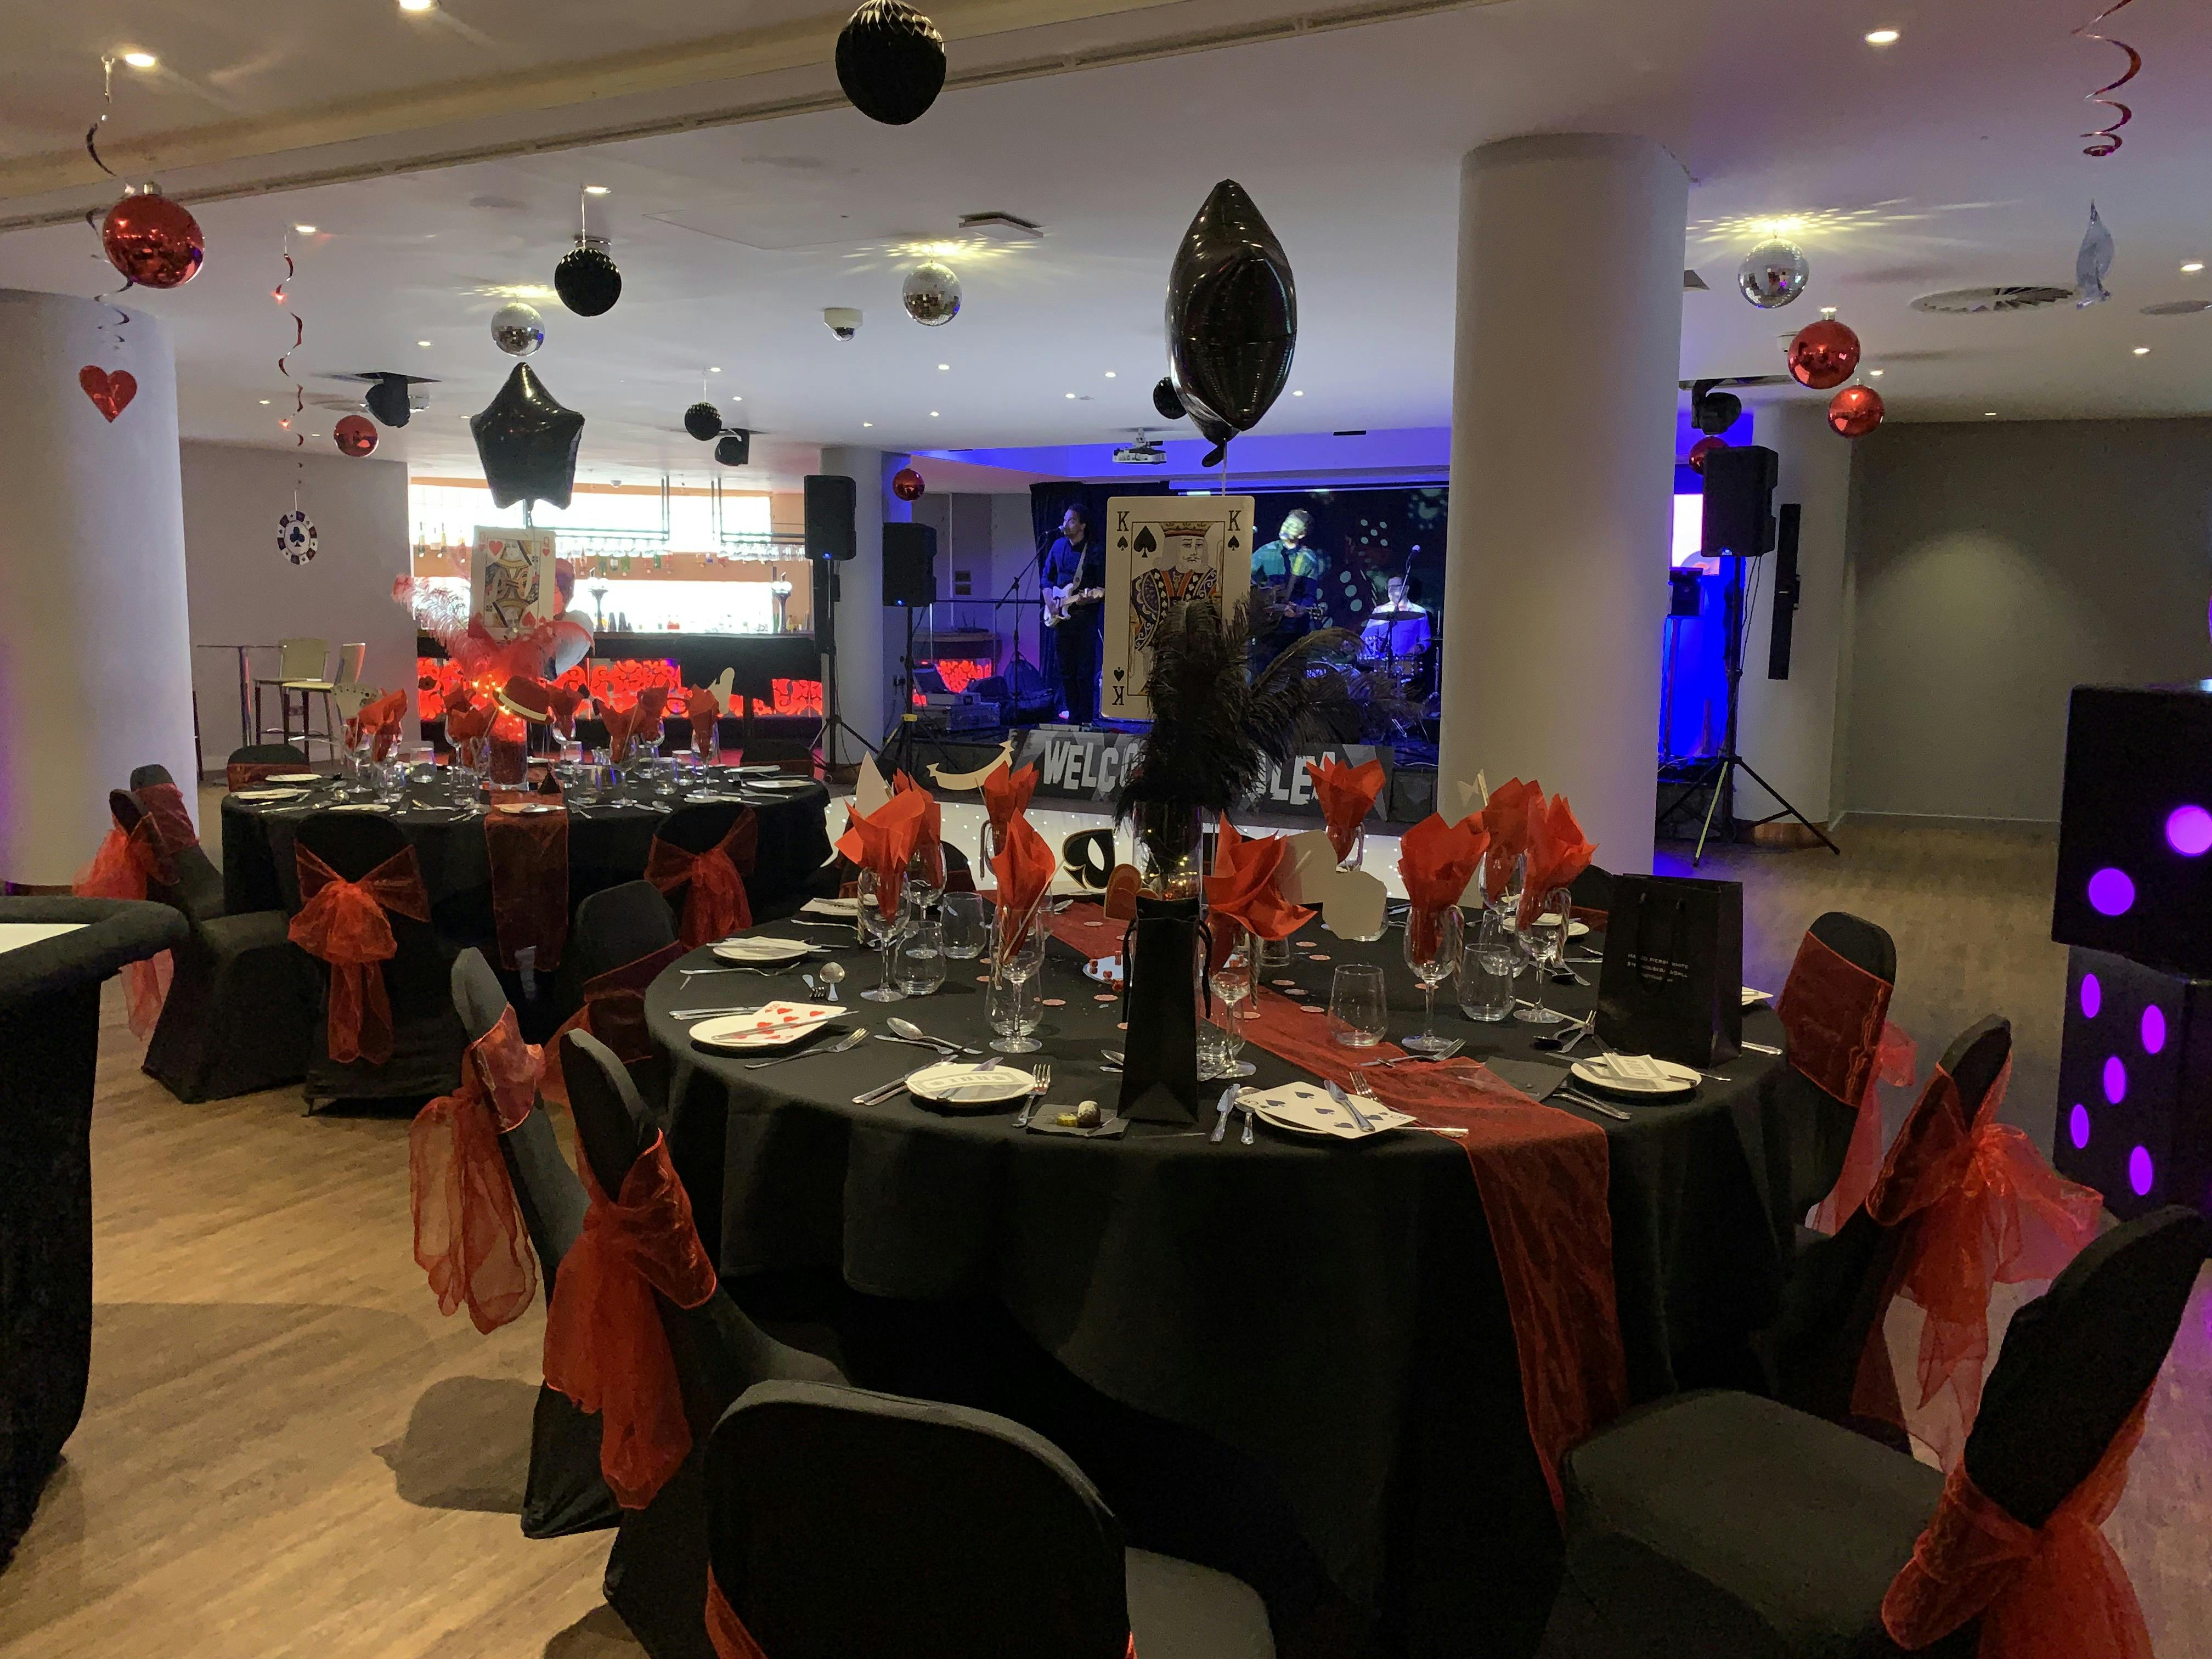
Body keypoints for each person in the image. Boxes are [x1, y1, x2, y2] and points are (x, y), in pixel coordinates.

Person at [1042, 505, 1106, 724]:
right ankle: (1073, 718)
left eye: (1071, 520)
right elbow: (1047, 579)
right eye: (1065, 519)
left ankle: (1086, 719)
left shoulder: (1095, 551)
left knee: (1084, 673)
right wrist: (1050, 602)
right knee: (1065, 671)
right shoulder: (1058, 546)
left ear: (1082, 526)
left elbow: (1103, 586)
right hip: (1061, 621)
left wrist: (1091, 596)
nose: (1065, 524)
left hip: (1084, 620)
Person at [1249, 507, 1327, 672]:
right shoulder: (1266, 551)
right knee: (1263, 676)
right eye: (1286, 523)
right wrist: (1265, 595)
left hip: (1295, 631)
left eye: (1293, 526)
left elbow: (1310, 595)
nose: (1286, 528)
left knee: (1294, 677)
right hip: (1267, 630)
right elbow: (1244, 579)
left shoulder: (1308, 558)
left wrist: (1299, 609)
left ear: (1302, 535)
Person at [1360, 574, 1432, 665]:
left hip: (1407, 664)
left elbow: (1426, 640)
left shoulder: (1420, 612)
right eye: (1389, 587)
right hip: (1383, 664)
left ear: (1406, 589)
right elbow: (1367, 637)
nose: (1391, 590)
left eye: (1395, 587)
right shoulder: (1379, 611)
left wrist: (1419, 647)